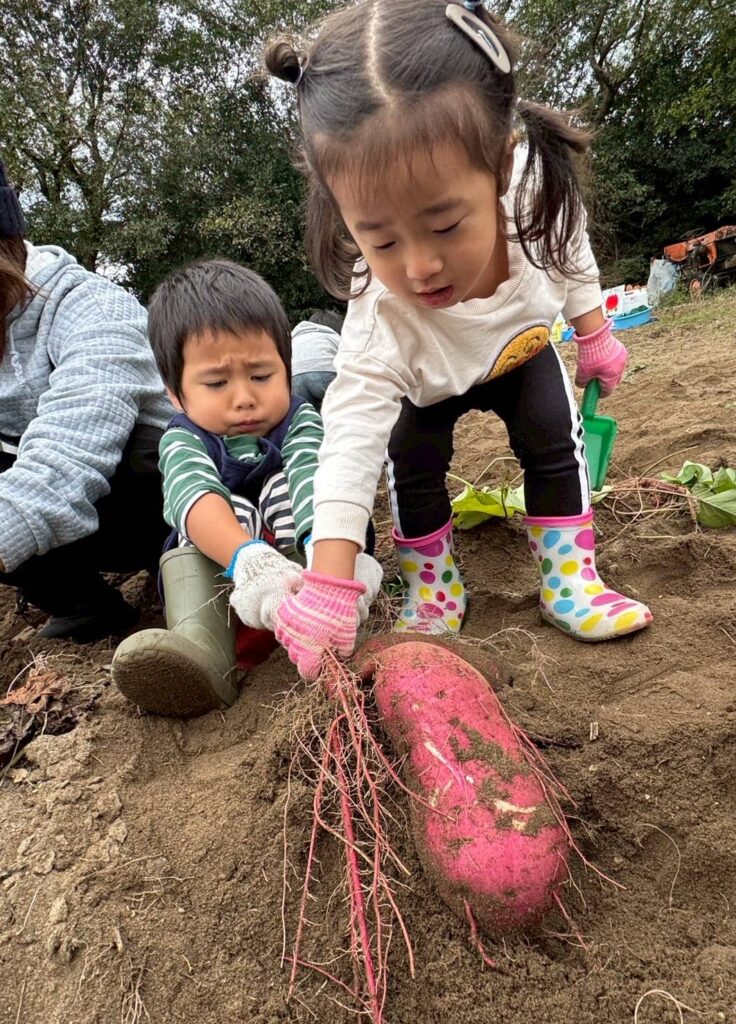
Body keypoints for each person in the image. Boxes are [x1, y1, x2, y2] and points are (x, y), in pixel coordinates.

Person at [264, 0, 653, 680]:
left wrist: (593, 334)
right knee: (410, 465)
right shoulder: (380, 316)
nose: (418, 267)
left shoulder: (536, 193)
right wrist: (328, 584)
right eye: (379, 239)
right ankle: (434, 590)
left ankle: (570, 583)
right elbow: (349, 438)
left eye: (445, 226)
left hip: (520, 353)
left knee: (552, 442)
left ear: (501, 168)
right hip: (424, 382)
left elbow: (573, 258)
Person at [110, 259, 381, 716]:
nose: (244, 397)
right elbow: (192, 497)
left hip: (313, 576)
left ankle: (344, 625)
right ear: (175, 394)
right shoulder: (182, 438)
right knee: (202, 525)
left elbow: (316, 478)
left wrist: (327, 567)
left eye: (261, 376)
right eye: (216, 383)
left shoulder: (299, 420)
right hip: (226, 587)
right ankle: (204, 659)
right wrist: (251, 562)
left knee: (290, 487)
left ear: (285, 366)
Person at [0, 157, 172, 641]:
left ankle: (186, 566)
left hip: (155, 499)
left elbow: (71, 449)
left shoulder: (94, 309)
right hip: (74, 515)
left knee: (145, 446)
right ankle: (82, 603)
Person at [291, 309, 343, 411]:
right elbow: (347, 359)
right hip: (326, 370)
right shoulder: (333, 335)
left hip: (295, 375)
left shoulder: (295, 337)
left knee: (307, 413)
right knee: (338, 410)